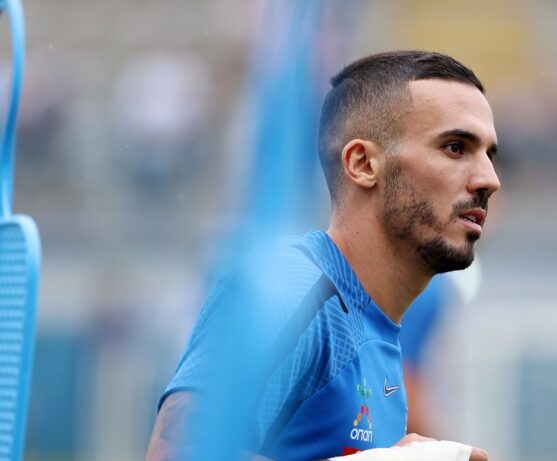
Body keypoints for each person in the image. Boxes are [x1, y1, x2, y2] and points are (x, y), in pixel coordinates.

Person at [145, 50, 500, 461]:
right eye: (455, 147)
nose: (489, 180)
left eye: (489, 155)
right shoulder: (292, 287)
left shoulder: (379, 335)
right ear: (363, 164)